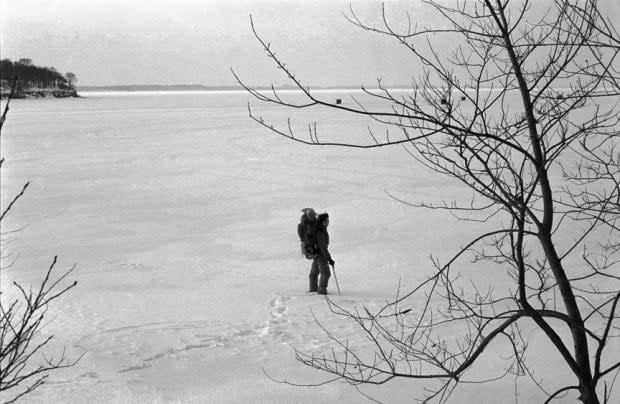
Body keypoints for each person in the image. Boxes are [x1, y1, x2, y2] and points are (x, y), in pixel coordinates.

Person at [309, 213, 335, 295]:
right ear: (323, 222)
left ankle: (313, 290)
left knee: (314, 273)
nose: (328, 222)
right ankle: (321, 291)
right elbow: (323, 247)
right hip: (321, 255)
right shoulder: (320, 232)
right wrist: (329, 258)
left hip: (316, 254)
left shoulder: (319, 229)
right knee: (326, 273)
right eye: (327, 220)